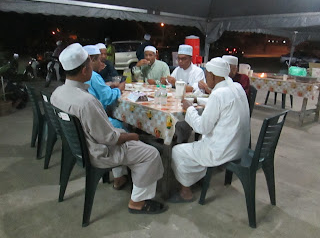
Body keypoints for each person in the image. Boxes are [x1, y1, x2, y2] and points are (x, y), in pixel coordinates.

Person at [51, 43, 167, 214]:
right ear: (84, 70)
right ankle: (137, 202)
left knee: (122, 132)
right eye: (90, 64)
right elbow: (111, 139)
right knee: (150, 153)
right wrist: (133, 136)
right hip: (98, 152)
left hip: (80, 148)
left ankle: (121, 178)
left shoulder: (57, 94)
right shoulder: (86, 102)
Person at [169, 57, 250, 202]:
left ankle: (185, 192)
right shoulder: (235, 87)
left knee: (177, 151)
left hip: (225, 149)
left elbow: (202, 127)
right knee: (199, 143)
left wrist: (190, 109)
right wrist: (197, 101)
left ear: (213, 75)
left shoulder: (219, 94)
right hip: (240, 146)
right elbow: (218, 103)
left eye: (207, 75)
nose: (206, 79)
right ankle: (197, 177)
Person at [83, 45, 125, 129]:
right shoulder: (93, 75)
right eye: (99, 59)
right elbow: (108, 97)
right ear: (92, 59)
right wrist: (119, 89)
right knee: (121, 126)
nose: (101, 62)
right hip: (97, 121)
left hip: (87, 119)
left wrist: (107, 85)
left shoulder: (82, 74)